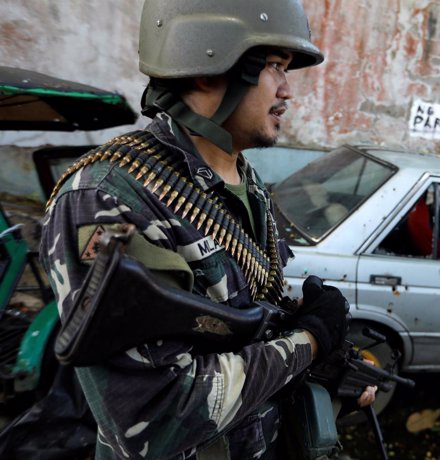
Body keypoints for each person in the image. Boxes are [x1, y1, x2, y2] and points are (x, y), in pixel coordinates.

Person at [39, 0, 375, 458]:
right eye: (275, 66)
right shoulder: (109, 199)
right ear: (206, 67)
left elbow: (245, 316)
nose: (288, 90)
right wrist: (308, 341)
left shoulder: (245, 181)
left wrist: (322, 357)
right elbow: (153, 417)